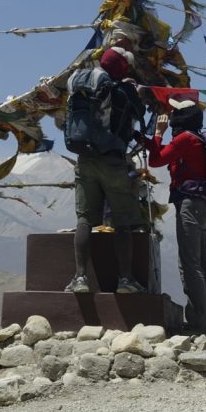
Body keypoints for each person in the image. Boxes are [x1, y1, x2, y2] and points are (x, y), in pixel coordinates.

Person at [65, 47, 147, 295]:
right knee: (122, 222)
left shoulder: (76, 82)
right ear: (121, 67)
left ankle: (80, 278)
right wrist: (136, 93)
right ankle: (125, 280)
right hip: (112, 160)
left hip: (84, 158)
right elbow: (140, 113)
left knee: (84, 220)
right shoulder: (121, 89)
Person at [143, 100, 206, 339]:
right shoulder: (199, 139)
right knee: (203, 262)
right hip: (204, 206)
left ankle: (201, 325)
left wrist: (158, 132)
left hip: (189, 204)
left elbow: (156, 160)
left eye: (175, 112)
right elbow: (166, 154)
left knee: (190, 264)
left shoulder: (185, 139)